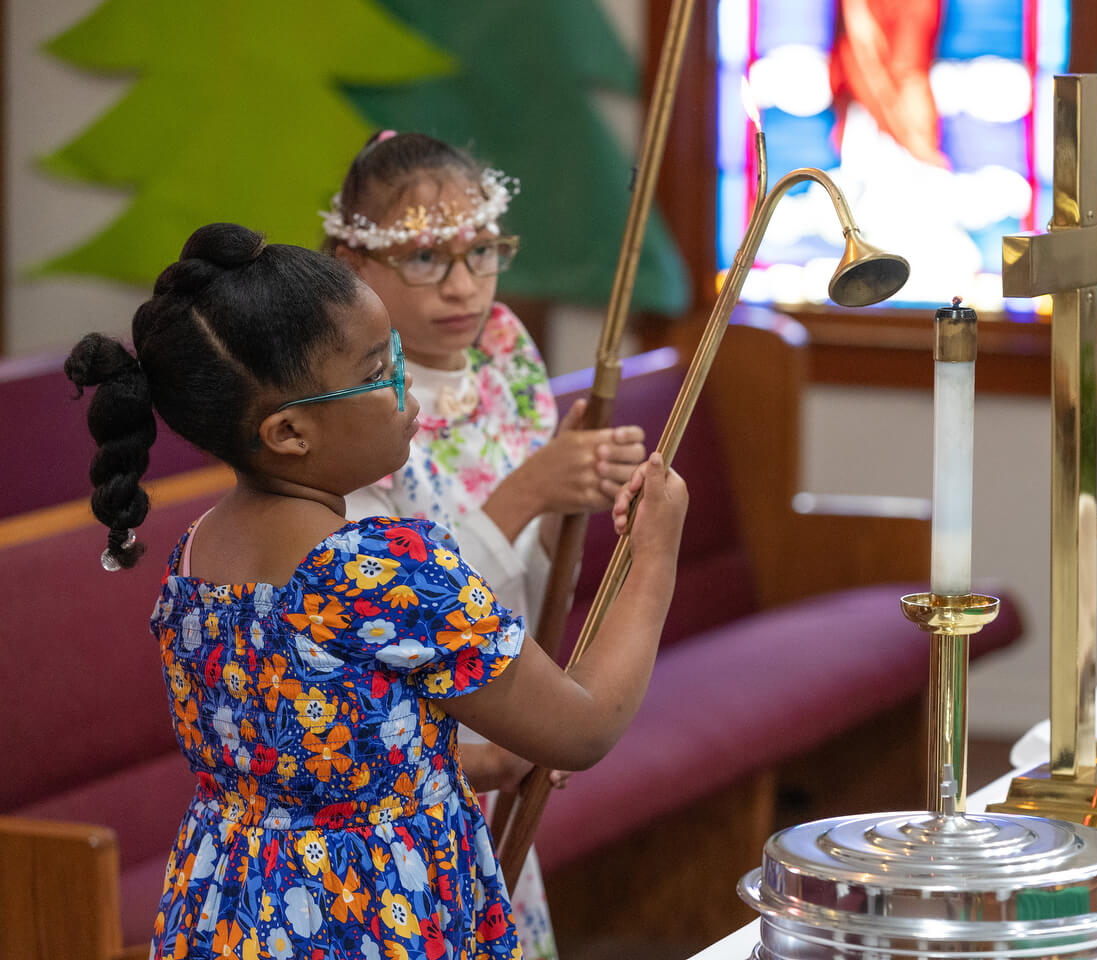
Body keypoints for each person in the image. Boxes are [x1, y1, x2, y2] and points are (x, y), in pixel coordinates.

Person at [65, 223, 687, 960]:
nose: (406, 385)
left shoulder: (197, 553)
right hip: (367, 916)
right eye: (380, 370)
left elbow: (312, 760)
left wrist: (478, 762)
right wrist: (654, 555)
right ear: (290, 433)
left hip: (231, 912)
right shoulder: (379, 568)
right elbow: (584, 728)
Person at [323, 131, 648, 958]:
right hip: (394, 762)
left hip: (499, 703)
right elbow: (382, 603)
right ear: (353, 263)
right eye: (424, 258)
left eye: (482, 252)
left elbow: (533, 582)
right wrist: (529, 492)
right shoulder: (346, 397)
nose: (463, 285)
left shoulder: (504, 357)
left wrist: (572, 494)